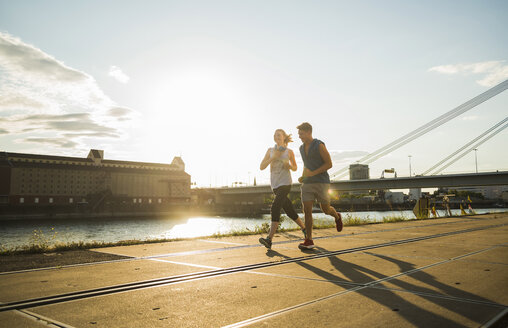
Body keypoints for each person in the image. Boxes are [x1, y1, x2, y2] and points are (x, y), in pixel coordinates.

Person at [297, 122, 343, 250]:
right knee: (307, 210)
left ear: (308, 132)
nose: (299, 136)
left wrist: (313, 173)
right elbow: (306, 164)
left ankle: (336, 216)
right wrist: (303, 176)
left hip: (322, 182)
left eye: (301, 134)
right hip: (308, 184)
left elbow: (329, 164)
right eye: (299, 134)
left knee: (326, 209)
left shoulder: (319, 145)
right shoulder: (301, 148)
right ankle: (309, 240)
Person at [258, 129, 307, 249]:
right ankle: (305, 229)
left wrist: (289, 166)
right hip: (275, 184)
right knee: (289, 210)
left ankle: (269, 239)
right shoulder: (270, 151)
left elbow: (295, 167)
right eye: (275, 135)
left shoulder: (289, 152)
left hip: (285, 183)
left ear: (284, 137)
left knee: (275, 206)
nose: (276, 136)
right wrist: (272, 158)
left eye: (279, 135)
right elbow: (261, 167)